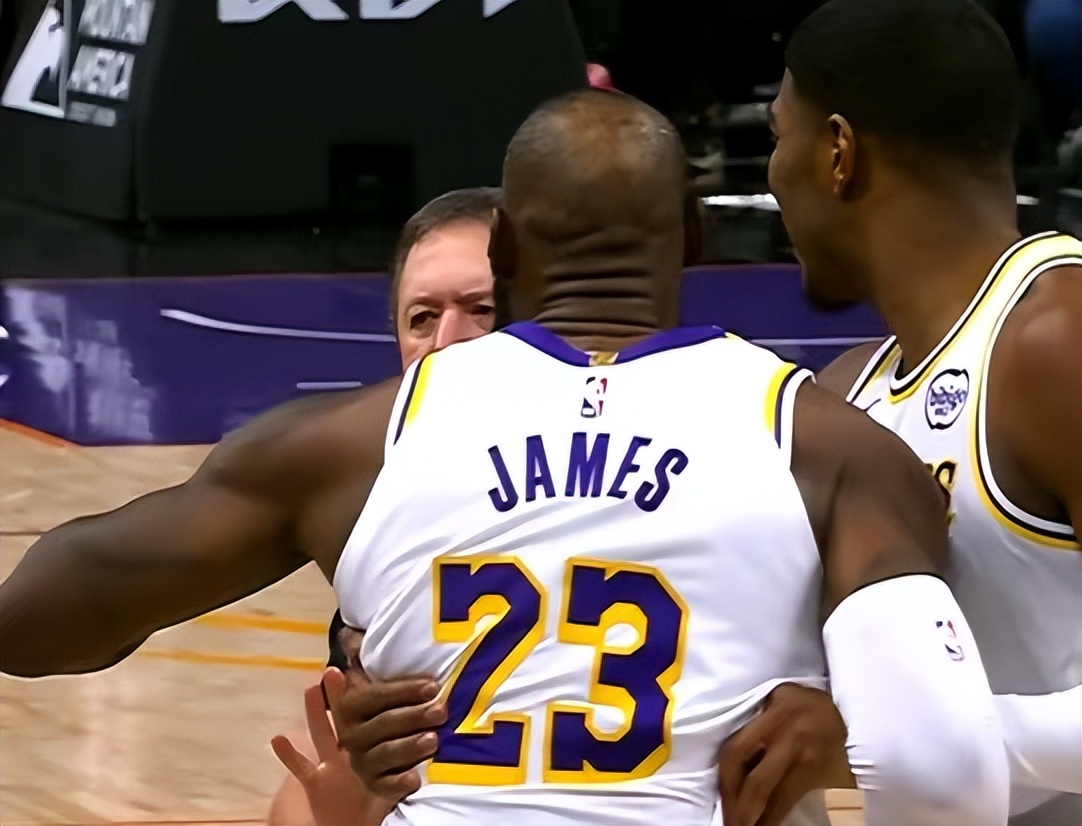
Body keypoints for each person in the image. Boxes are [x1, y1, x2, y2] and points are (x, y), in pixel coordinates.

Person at [0, 89, 1008, 825]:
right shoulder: (830, 447)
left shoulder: (348, 443)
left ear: (507, 252)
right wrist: (837, 723)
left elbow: (49, 616)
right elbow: (940, 757)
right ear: (694, 238)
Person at [713, 1, 1081, 824]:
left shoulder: (1057, 337)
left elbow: (871, 743)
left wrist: (914, 743)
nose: (771, 176)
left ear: (837, 153)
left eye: (777, 137)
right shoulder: (846, 396)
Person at [267, 186, 502, 826]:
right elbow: (307, 793)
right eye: (422, 318)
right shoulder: (382, 515)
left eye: (482, 310)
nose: (447, 342)